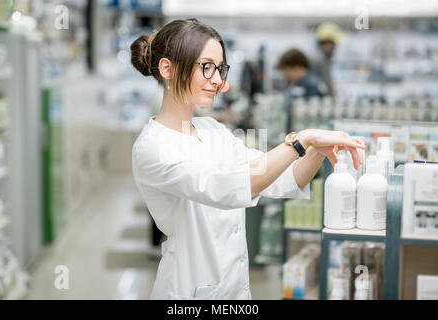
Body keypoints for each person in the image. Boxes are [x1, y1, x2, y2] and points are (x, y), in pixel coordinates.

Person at [130, 18, 364, 300]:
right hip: (187, 292)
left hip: (234, 290)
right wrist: (301, 141)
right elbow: (227, 188)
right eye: (206, 67)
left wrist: (317, 149)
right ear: (167, 68)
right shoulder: (153, 147)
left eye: (220, 68)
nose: (217, 80)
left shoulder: (213, 130)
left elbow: (280, 180)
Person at [277, 48, 327, 132]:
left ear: (297, 67)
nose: (285, 74)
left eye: (286, 70)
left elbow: (314, 117)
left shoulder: (313, 85)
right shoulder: (295, 83)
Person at [310, 22, 344, 97]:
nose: (335, 47)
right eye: (334, 44)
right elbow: (325, 84)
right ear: (327, 44)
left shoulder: (322, 58)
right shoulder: (319, 60)